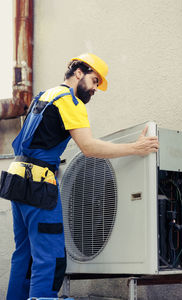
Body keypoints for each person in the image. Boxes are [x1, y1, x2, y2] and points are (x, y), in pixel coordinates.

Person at [0, 53, 159, 299]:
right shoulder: (70, 102)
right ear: (78, 73)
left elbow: (32, 141)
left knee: (25, 256)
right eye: (94, 80)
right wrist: (135, 148)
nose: (95, 89)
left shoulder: (44, 96)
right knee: (50, 258)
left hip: (17, 181)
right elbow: (89, 147)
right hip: (38, 185)